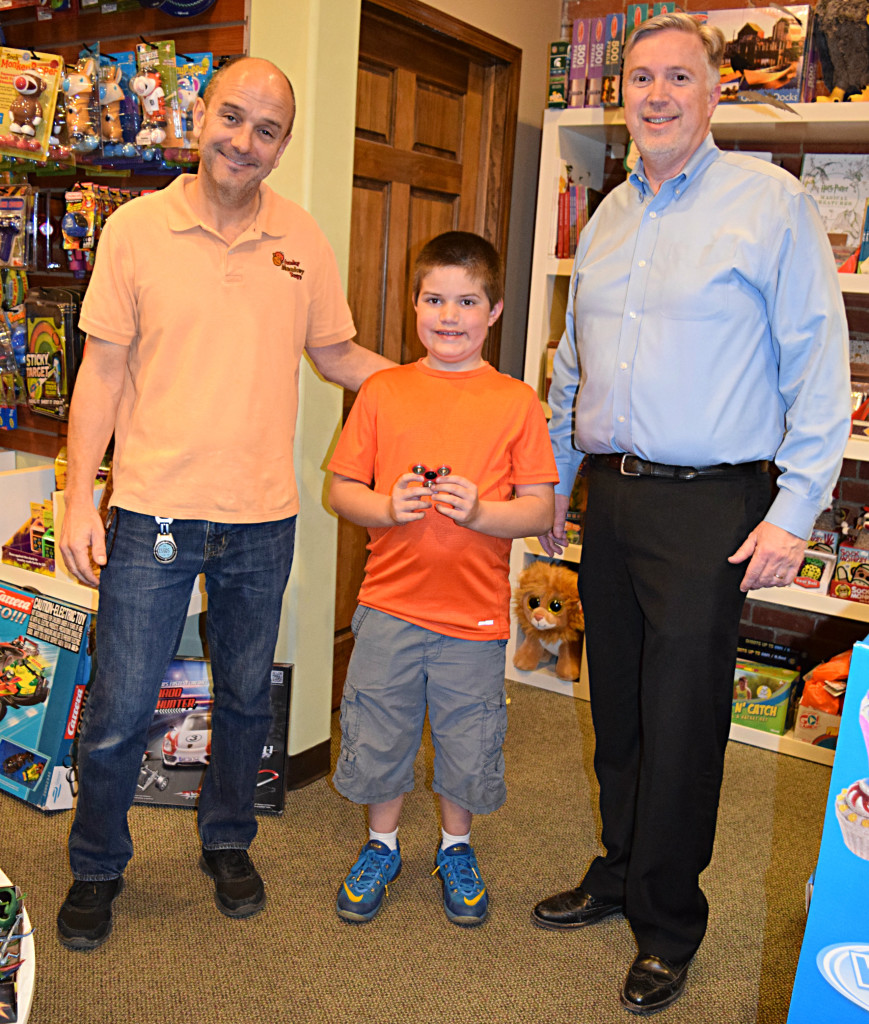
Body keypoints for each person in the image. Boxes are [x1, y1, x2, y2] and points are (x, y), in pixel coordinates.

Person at [531, 12, 851, 1016]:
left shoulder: (769, 204)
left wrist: (795, 507)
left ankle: (669, 922)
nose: (656, 94)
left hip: (712, 501)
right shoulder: (611, 215)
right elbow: (572, 363)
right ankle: (620, 868)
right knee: (615, 705)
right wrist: (553, 476)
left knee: (680, 720)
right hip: (611, 495)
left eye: (678, 77)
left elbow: (816, 362)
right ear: (617, 95)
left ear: (714, 95)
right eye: (638, 78)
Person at [55, 56, 391, 952]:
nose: (244, 140)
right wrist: (78, 496)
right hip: (154, 510)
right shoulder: (134, 229)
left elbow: (339, 355)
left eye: (266, 129)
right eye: (232, 117)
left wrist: (441, 388)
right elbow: (102, 373)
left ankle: (228, 841)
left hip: (260, 516)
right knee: (123, 705)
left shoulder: (302, 240)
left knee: (244, 699)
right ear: (202, 115)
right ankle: (96, 867)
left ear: (282, 145)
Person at [328, 231, 557, 927]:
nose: (448, 315)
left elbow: (541, 508)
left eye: (466, 301)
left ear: (493, 312)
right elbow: (341, 490)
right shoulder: (383, 391)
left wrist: (484, 511)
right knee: (379, 729)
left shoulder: (515, 401)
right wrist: (387, 506)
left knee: (466, 737)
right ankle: (382, 843)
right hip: (389, 607)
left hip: (474, 617)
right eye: (434, 299)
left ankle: (455, 846)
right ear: (414, 305)